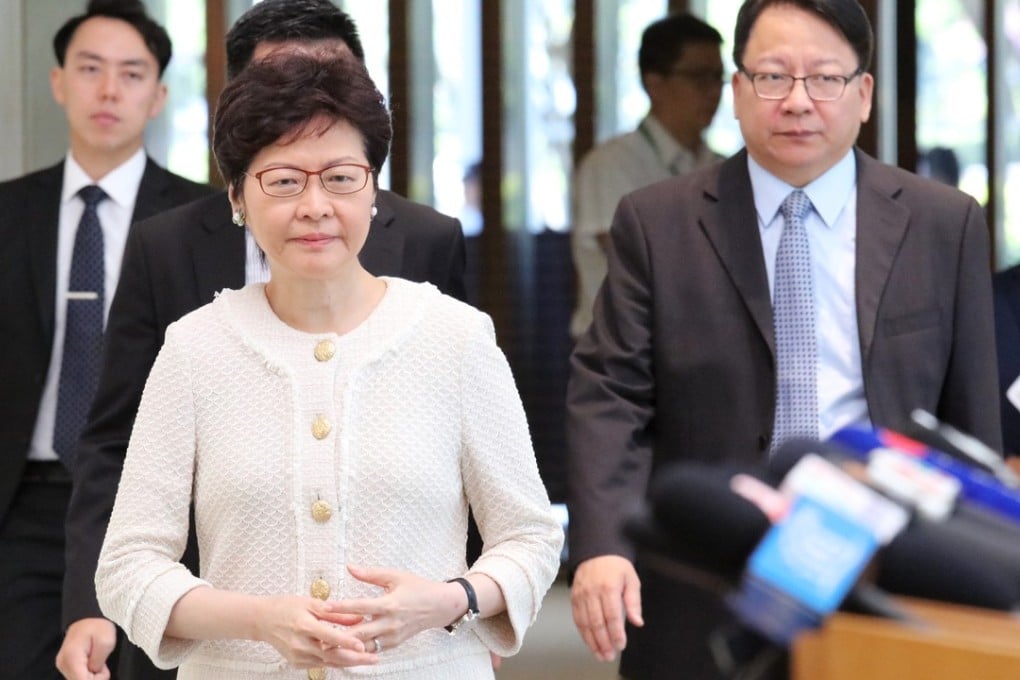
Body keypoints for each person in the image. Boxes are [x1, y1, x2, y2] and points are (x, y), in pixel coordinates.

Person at [566, 1, 1001, 678]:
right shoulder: (658, 222)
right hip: (708, 558)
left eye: (824, 79)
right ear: (737, 91)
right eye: (772, 76)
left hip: (885, 564)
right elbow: (610, 396)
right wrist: (602, 545)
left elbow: (969, 416)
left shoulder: (944, 225)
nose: (798, 101)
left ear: (863, 95)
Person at [93, 51, 562, 680]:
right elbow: (128, 565)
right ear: (237, 197)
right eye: (283, 180)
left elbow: (531, 536)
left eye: (340, 177)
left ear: (373, 190)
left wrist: (453, 599)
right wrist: (259, 620)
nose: (314, 205)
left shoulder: (456, 338)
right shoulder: (195, 349)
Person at [57, 2, 468, 678]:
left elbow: (463, 448)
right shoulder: (167, 245)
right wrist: (92, 604)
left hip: (393, 630)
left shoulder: (426, 239)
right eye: (278, 91)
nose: (305, 108)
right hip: (208, 610)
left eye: (327, 86)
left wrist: (465, 607)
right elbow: (114, 437)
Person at [0, 1, 213, 677]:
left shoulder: (202, 223)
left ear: (157, 96)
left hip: (155, 501)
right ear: (60, 81)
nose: (109, 90)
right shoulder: (8, 214)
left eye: (131, 73)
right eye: (90, 70)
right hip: (26, 500)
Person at [569, 12, 724, 338]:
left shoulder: (724, 168)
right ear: (654, 83)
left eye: (718, 77)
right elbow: (639, 262)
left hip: (699, 352)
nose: (713, 92)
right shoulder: (610, 164)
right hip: (620, 359)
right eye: (699, 77)